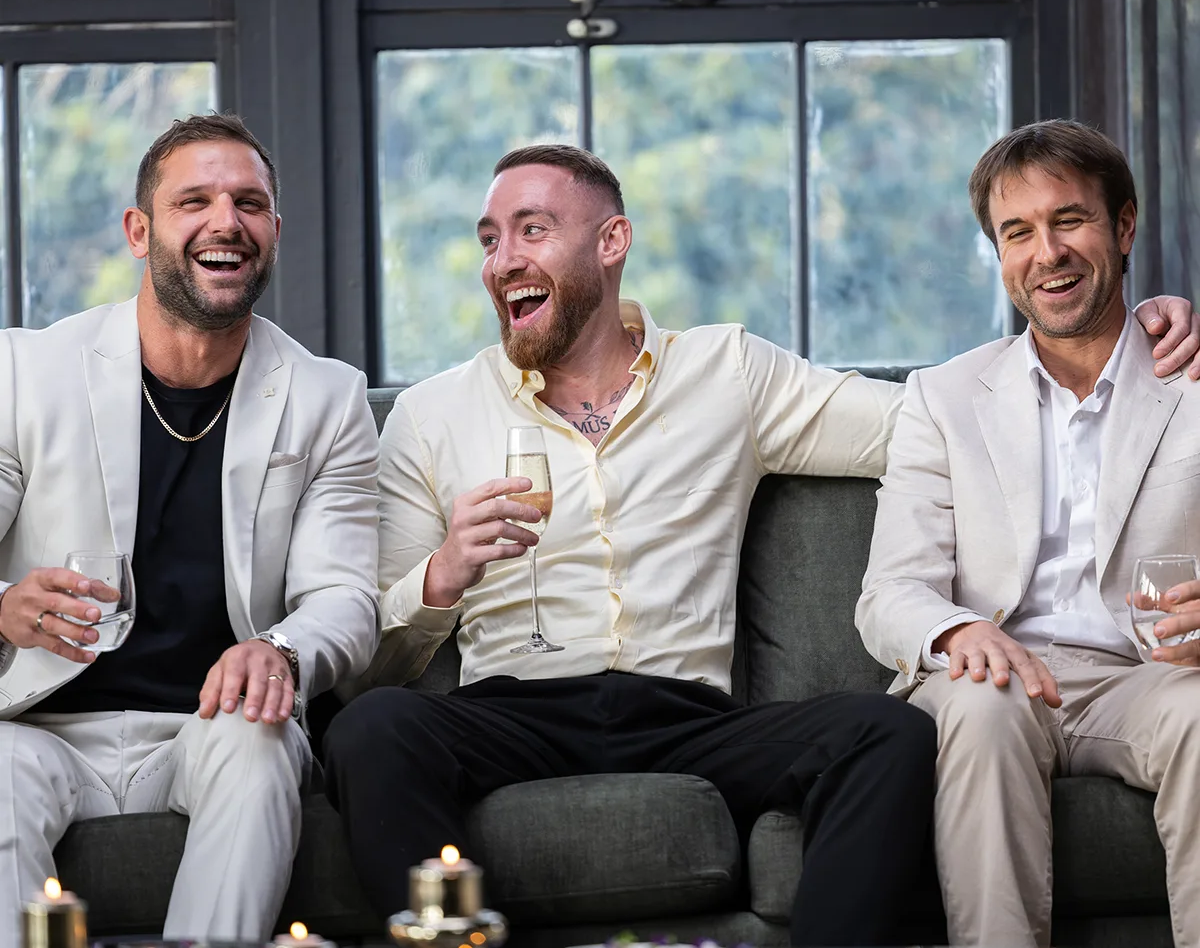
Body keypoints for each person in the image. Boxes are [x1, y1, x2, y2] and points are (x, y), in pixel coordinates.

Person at [322, 143, 1198, 944]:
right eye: (489, 240)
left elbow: (943, 418)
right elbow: (367, 665)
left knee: (886, 731)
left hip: (688, 714)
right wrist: (442, 575)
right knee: (372, 727)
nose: (503, 259)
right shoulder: (432, 415)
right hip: (511, 711)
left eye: (532, 230)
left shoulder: (727, 372)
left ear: (612, 241)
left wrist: (1123, 342)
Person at [0, 113, 380, 944]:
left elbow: (347, 599)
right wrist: (2, 604)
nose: (226, 222)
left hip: (210, 727)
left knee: (260, 742)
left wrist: (280, 651)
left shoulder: (328, 398)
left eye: (249, 203)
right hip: (35, 724)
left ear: (273, 231)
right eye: (194, 201)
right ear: (140, 231)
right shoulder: (25, 372)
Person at [856, 118, 1200, 947]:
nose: (1047, 252)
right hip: (997, 672)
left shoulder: (1190, 375)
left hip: (1148, 675)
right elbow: (890, 592)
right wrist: (957, 630)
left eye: (1070, 219)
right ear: (999, 251)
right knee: (983, 706)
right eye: (1018, 232)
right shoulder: (943, 396)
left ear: (1123, 225)